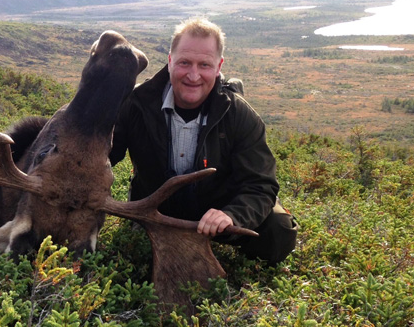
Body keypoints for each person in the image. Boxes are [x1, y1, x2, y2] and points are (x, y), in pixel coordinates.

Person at [110, 17, 297, 264]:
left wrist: (231, 216)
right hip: (156, 210)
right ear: (169, 61)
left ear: (219, 66)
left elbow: (260, 185)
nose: (193, 75)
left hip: (216, 212)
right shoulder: (135, 104)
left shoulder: (240, 115)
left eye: (204, 65)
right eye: (184, 63)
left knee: (278, 231)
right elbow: (103, 155)